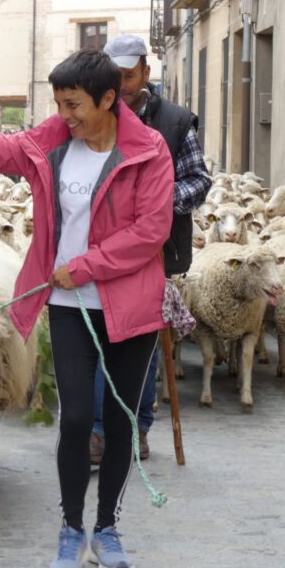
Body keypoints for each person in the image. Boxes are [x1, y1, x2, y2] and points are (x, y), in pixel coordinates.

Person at [0, 49, 173, 568]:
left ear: (109, 100)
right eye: (59, 103)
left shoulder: (148, 150)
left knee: (119, 423)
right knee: (72, 420)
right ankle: (70, 530)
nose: (64, 114)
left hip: (130, 307)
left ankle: (106, 528)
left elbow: (151, 229)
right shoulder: (53, 141)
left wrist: (85, 265)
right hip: (67, 306)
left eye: (74, 104)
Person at [89, 35, 211, 464]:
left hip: (155, 254)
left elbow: (199, 181)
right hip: (103, 251)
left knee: (143, 343)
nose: (121, 84)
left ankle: (138, 428)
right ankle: (100, 431)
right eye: (114, 75)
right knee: (103, 341)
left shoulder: (176, 122)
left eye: (127, 75)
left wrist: (156, 202)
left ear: (145, 71)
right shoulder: (94, 114)